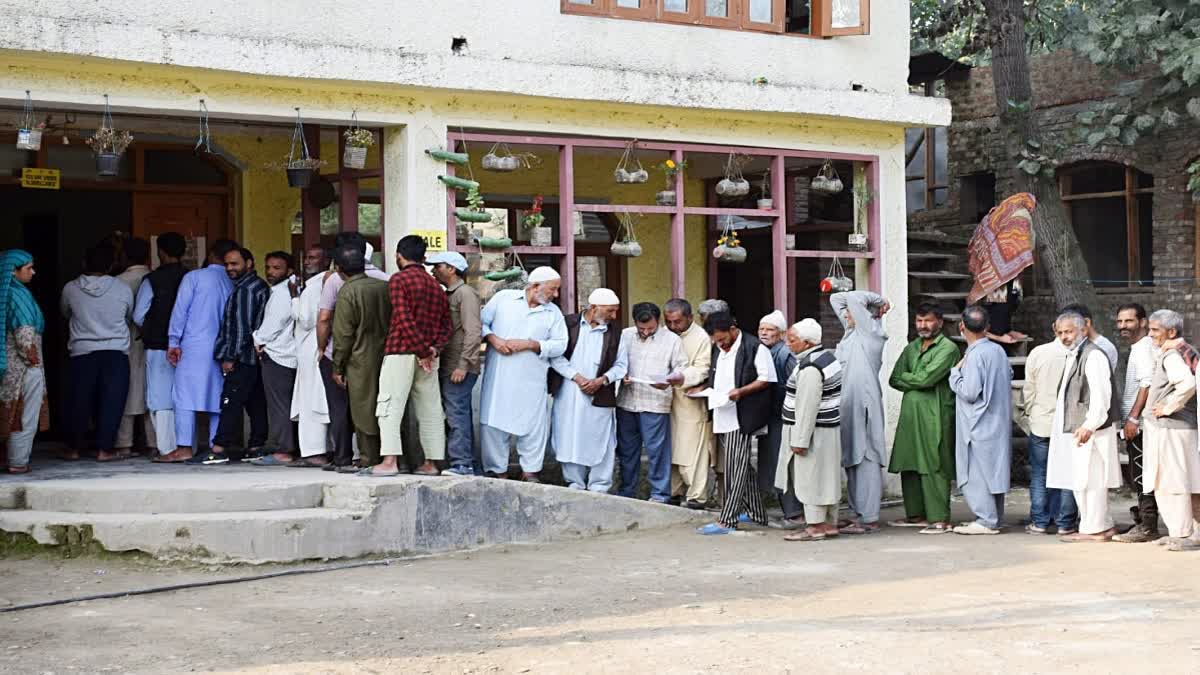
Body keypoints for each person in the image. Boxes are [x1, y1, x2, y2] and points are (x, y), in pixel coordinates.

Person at [478, 266, 568, 482]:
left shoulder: (553, 313)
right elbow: (480, 323)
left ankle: (530, 471)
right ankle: (497, 471)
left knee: (533, 426)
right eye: (553, 289)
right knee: (493, 422)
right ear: (535, 286)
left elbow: (561, 345)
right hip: (499, 377)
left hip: (533, 380)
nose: (555, 295)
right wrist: (493, 339)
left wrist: (532, 344)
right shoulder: (503, 299)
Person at [371, 235, 451, 477]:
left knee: (389, 407)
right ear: (424, 258)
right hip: (429, 357)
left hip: (401, 352)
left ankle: (390, 461)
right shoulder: (435, 285)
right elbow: (446, 325)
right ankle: (432, 462)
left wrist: (421, 351)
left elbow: (403, 318)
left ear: (398, 255)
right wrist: (432, 350)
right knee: (431, 409)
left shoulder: (399, 280)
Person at [694, 311, 776, 535]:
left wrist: (741, 391)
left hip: (743, 415)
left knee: (734, 468)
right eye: (715, 340)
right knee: (741, 466)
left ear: (733, 329)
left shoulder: (754, 347)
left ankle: (728, 519)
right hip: (722, 412)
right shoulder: (717, 349)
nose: (719, 344)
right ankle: (757, 514)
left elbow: (767, 378)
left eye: (722, 339)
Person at [1046, 312, 1122, 543]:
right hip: (1082, 429)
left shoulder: (1094, 355)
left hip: (1091, 430)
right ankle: (1099, 525)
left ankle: (1095, 529)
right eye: (1060, 333)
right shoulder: (1075, 354)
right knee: (1083, 480)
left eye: (1068, 331)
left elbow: (1101, 396)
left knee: (1091, 480)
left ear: (1083, 329)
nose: (1064, 337)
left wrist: (1089, 425)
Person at [317, 234, 390, 471]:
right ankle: (385, 456)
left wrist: (335, 364)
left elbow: (339, 331)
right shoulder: (385, 283)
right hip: (383, 355)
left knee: (353, 410)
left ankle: (358, 458)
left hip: (355, 358)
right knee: (379, 406)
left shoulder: (346, 289)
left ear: (339, 268)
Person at [190, 247, 269, 465]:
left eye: (235, 264)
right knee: (255, 403)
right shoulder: (256, 286)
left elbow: (242, 329)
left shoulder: (246, 290)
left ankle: (219, 448)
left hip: (242, 357)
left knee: (230, 401)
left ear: (249, 263)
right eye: (227, 264)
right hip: (254, 357)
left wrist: (230, 357)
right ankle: (256, 446)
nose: (229, 268)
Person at [887, 303, 959, 535]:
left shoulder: (947, 348)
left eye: (928, 321)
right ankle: (915, 514)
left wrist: (914, 379)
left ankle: (939, 518)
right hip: (910, 416)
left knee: (934, 463)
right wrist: (915, 378)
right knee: (909, 463)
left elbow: (927, 380)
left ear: (939, 321)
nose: (923, 326)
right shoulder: (912, 347)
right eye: (919, 321)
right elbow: (894, 378)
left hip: (935, 415)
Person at [59, 243, 133, 462]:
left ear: (84, 263)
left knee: (79, 401)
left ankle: (73, 449)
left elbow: (65, 312)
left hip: (82, 352)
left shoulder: (70, 288)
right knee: (112, 402)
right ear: (112, 265)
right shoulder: (122, 288)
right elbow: (128, 316)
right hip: (115, 352)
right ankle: (104, 450)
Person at [165, 238, 237, 462]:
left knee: (184, 397)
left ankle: (184, 447)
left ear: (212, 254)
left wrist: (173, 341)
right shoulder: (234, 281)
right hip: (224, 348)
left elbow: (180, 311)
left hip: (195, 346)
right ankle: (216, 447)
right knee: (218, 397)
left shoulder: (194, 277)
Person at [550, 288, 628, 492]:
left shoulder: (616, 332)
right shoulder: (568, 325)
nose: (614, 315)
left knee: (601, 438)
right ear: (594, 308)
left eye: (615, 311)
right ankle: (574, 482)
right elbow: (556, 356)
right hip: (569, 391)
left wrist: (602, 380)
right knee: (569, 434)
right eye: (610, 311)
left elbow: (621, 365)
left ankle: (599, 485)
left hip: (600, 393)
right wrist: (578, 378)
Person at [775, 319, 843, 542]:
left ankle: (815, 526)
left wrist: (800, 440)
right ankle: (829, 524)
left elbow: (807, 407)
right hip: (827, 430)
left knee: (810, 479)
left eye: (792, 340)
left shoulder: (811, 367)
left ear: (806, 343)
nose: (788, 344)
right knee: (826, 478)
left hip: (814, 433)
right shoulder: (825, 357)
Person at [948, 305, 1012, 535]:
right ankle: (995, 517)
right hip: (998, 420)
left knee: (976, 473)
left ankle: (986, 520)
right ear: (988, 327)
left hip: (977, 423)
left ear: (961, 326)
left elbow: (970, 391)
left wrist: (954, 376)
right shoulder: (998, 351)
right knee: (993, 471)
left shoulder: (975, 355)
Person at [830, 290, 890, 535]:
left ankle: (869, 517)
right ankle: (858, 513)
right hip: (848, 407)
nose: (846, 315)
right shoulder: (851, 333)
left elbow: (853, 299)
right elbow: (836, 300)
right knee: (852, 459)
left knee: (866, 459)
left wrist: (879, 301)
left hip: (864, 407)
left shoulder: (872, 333)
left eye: (851, 313)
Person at [1142, 310, 1200, 552]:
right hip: (1178, 428)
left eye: (1155, 330)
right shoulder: (1184, 350)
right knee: (1183, 480)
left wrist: (1167, 407)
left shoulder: (1171, 355)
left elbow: (1187, 384)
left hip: (1172, 428)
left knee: (1171, 481)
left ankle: (1183, 533)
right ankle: (1184, 532)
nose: (1151, 334)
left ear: (1171, 332)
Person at [616, 302, 685, 502]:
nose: (646, 332)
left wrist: (670, 380)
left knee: (657, 452)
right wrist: (622, 375)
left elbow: (681, 367)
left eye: (650, 328)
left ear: (659, 321)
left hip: (656, 402)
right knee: (627, 452)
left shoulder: (672, 340)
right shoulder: (626, 335)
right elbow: (617, 362)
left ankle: (659, 494)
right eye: (642, 328)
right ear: (634, 323)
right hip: (627, 401)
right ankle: (627, 492)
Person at [426, 251, 482, 477]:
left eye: (437, 266)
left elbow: (473, 331)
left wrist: (463, 364)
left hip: (459, 367)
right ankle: (469, 463)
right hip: (450, 364)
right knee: (458, 414)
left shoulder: (465, 294)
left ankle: (462, 464)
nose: (433, 271)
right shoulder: (450, 293)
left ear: (451, 269)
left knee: (456, 415)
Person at [1019, 323, 1077, 535]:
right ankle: (1066, 523)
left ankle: (1040, 522)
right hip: (1069, 425)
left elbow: (1029, 389)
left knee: (1040, 474)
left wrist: (1031, 413)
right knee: (1068, 474)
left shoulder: (1039, 353)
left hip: (1041, 422)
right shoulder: (1079, 355)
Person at [132, 232, 187, 460]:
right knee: (185, 397)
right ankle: (187, 445)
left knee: (160, 397)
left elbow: (138, 315)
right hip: (188, 346)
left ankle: (167, 448)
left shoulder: (153, 280)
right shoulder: (191, 277)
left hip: (158, 346)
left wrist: (154, 327)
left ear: (161, 252)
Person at [1111, 303, 1159, 543]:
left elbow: (1147, 384)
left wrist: (1133, 418)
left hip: (1141, 424)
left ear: (1142, 322)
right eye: (1120, 322)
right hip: (1138, 423)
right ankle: (1143, 519)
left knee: (1141, 474)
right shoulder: (1139, 347)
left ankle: (1148, 527)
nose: (1123, 326)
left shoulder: (1143, 349)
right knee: (1138, 473)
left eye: (1128, 321)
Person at [251, 251, 304, 466]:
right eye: (269, 267)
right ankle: (289, 446)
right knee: (287, 404)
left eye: (277, 268)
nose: (271, 272)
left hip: (278, 355)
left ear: (289, 270)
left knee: (279, 406)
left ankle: (284, 451)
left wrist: (257, 339)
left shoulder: (282, 293)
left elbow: (273, 324)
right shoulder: (289, 290)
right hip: (288, 354)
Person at [664, 298, 714, 509]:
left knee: (692, 449)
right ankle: (674, 492)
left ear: (690, 318)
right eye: (669, 322)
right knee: (670, 448)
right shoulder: (664, 335)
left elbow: (703, 367)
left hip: (689, 399)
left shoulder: (701, 337)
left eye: (677, 322)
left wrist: (682, 377)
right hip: (665, 399)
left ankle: (696, 496)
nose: (673, 327)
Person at [756, 310, 804, 528]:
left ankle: (794, 513)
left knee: (782, 464)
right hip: (773, 417)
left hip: (782, 418)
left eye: (770, 330)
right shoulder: (766, 352)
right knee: (774, 464)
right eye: (762, 329)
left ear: (782, 334)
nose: (764, 334)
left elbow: (796, 385)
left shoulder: (785, 355)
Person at [0, 250, 45, 474]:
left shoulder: (5, 293)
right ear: (13, 271)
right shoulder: (19, 296)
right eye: (28, 268)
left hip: (6, 368)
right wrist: (34, 362)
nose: (33, 272)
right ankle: (18, 461)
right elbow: (25, 337)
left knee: (8, 413)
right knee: (24, 416)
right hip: (23, 370)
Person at [292, 259, 334, 469]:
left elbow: (306, 318)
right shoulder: (332, 282)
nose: (308, 261)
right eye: (307, 257)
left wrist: (294, 298)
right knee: (322, 400)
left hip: (313, 348)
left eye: (314, 258)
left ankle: (313, 451)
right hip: (323, 347)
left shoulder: (314, 287)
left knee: (312, 402)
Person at [115, 237, 155, 457]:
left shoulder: (118, 281)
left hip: (127, 340)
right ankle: (154, 442)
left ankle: (124, 444)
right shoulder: (155, 278)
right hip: (156, 342)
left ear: (124, 256)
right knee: (154, 390)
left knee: (129, 390)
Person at [1060, 303, 1117, 368]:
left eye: (1069, 330)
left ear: (1086, 322)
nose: (1064, 336)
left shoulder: (1103, 347)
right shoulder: (1076, 344)